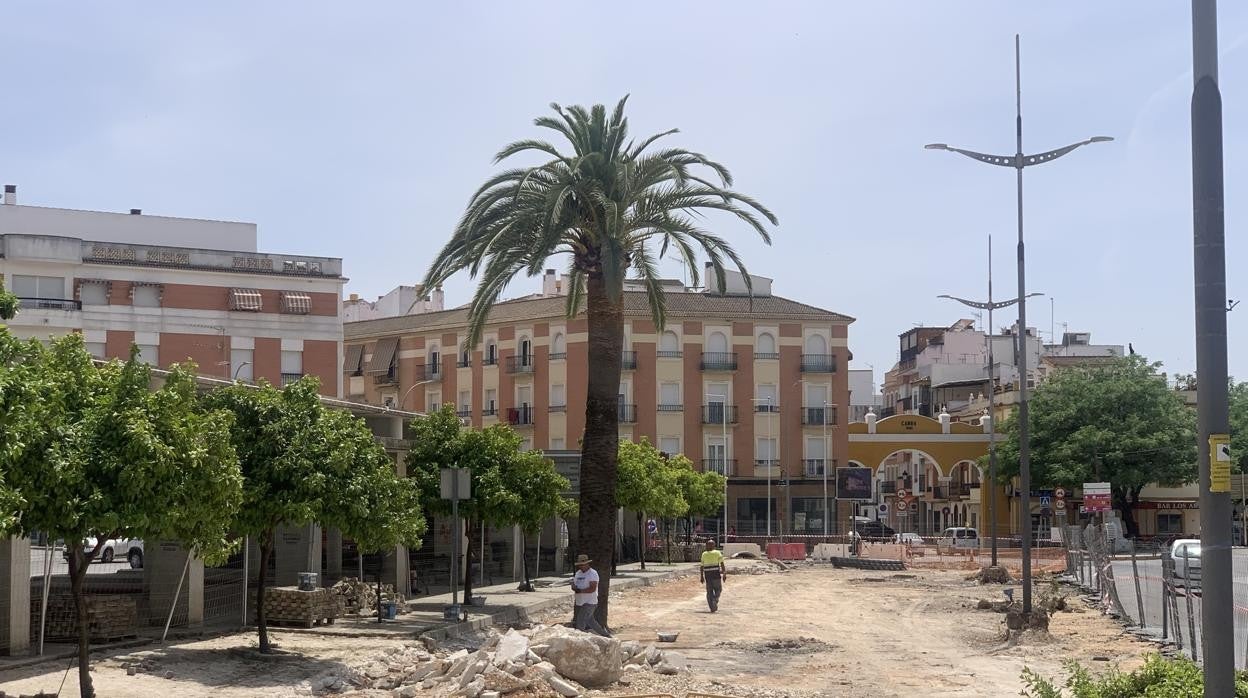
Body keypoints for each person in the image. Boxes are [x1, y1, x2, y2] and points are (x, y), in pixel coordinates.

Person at [571, 554, 611, 637]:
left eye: (583, 564)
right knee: (591, 622)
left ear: (587, 564)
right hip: (580, 602)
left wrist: (580, 590)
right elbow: (574, 585)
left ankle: (579, 638)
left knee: (580, 622)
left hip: (589, 602)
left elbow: (592, 588)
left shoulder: (592, 573)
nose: (581, 567)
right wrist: (574, 587)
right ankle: (606, 636)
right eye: (580, 565)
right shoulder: (578, 573)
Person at [699, 539, 727, 612]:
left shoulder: (704, 554)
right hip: (716, 575)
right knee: (718, 589)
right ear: (714, 545)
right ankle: (715, 600)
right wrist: (724, 573)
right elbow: (722, 564)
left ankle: (712, 606)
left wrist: (702, 576)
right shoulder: (717, 553)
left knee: (709, 592)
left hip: (708, 575)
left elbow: (702, 566)